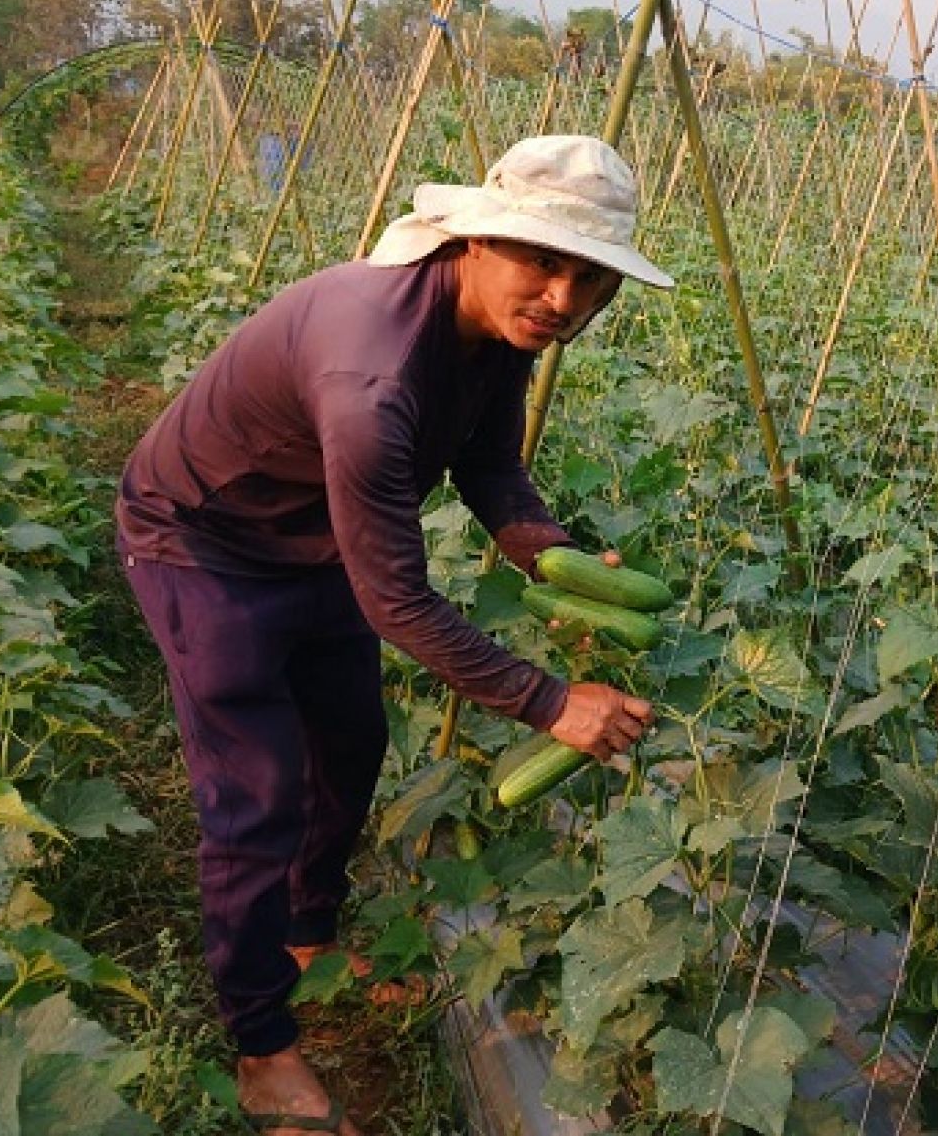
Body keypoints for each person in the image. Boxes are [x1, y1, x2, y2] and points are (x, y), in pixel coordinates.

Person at [115, 135, 673, 1135]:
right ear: (474, 239)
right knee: (258, 793)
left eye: (589, 278)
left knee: (354, 738)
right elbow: (399, 603)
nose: (561, 294)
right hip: (205, 542)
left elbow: (493, 469)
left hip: (317, 539)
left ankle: (306, 932)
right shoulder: (372, 376)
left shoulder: (497, 333)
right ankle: (259, 1043)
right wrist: (551, 701)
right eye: (542, 259)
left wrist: (552, 556)